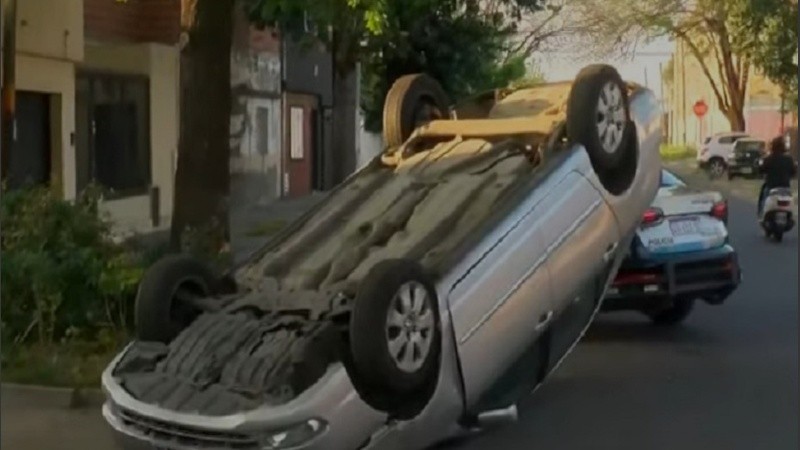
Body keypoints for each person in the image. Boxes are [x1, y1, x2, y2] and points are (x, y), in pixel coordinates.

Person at [758, 135, 797, 216]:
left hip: (771, 187)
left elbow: (761, 170)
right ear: (783, 147)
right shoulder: (789, 159)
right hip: (785, 187)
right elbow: (793, 172)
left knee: (763, 199)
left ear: (773, 147)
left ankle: (761, 214)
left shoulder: (768, 159)